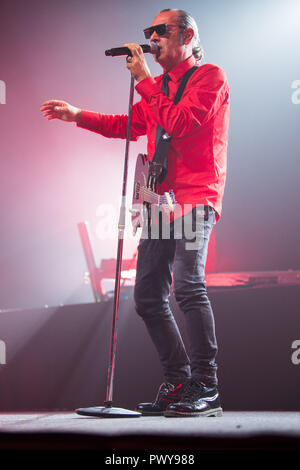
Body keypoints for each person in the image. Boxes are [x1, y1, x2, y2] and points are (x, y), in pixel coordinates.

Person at [40, 8, 229, 417]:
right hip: (160, 201)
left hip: (195, 198)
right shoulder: (158, 86)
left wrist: (143, 80)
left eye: (161, 30)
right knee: (146, 295)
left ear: (188, 34)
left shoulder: (210, 77)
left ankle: (207, 385)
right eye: (149, 31)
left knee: (188, 286)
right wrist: (78, 116)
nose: (152, 37)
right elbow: (130, 125)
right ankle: (180, 381)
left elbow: (180, 122)